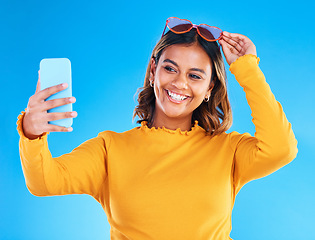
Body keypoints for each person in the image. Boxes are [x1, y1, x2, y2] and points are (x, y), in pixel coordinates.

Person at [17, 17, 298, 240]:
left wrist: (247, 68)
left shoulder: (228, 150)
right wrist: (31, 133)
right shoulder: (109, 148)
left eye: (195, 75)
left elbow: (281, 149)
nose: (179, 84)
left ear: (210, 88)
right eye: (170, 68)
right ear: (154, 70)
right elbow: (43, 183)